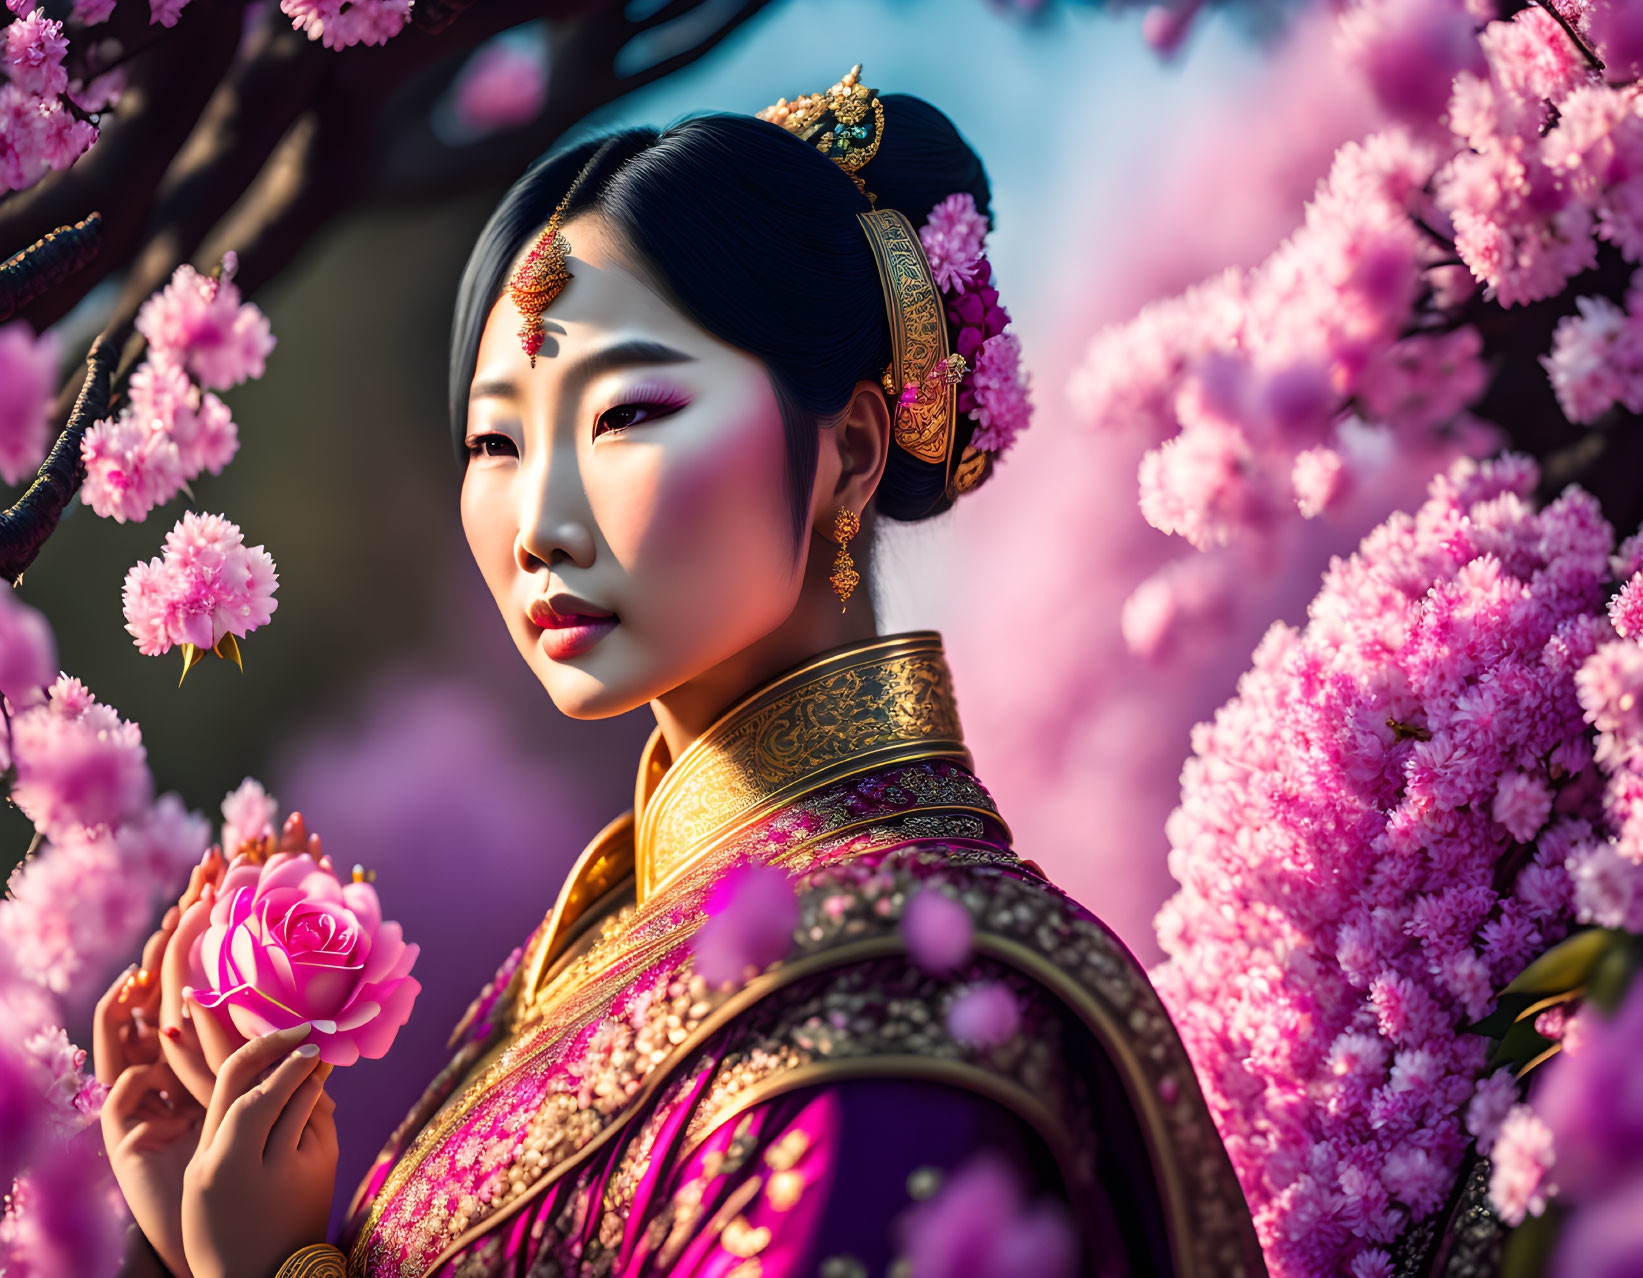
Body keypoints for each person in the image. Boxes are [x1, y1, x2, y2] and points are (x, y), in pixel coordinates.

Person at [95, 67, 1265, 1278]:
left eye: (627, 414)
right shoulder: (580, 959)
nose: (539, 522)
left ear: (849, 453)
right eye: (495, 441)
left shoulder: (899, 1003)